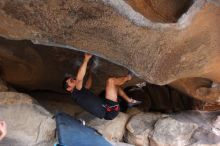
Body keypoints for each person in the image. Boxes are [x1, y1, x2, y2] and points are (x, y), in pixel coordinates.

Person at [63, 53, 142, 120]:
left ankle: (129, 101)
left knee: (116, 88)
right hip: (110, 110)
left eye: (73, 79)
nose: (74, 80)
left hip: (106, 105)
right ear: (69, 88)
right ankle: (129, 77)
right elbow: (79, 79)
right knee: (111, 81)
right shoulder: (75, 93)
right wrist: (86, 59)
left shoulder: (79, 94)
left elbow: (87, 86)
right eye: (71, 81)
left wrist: (90, 73)